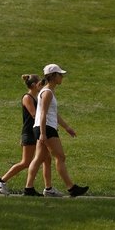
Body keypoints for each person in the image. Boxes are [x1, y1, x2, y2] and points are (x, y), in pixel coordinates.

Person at [23, 64, 89, 197]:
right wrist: (43, 133)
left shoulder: (48, 91)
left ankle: (28, 188)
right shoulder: (47, 92)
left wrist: (67, 127)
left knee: (38, 158)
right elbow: (43, 114)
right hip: (46, 128)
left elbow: (53, 113)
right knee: (60, 156)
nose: (62, 77)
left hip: (44, 127)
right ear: (53, 76)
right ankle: (71, 188)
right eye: (60, 74)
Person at [0, 74, 59, 197]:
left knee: (47, 159)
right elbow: (35, 115)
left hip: (36, 131)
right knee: (26, 162)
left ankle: (48, 188)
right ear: (34, 85)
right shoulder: (27, 97)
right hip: (30, 133)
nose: (43, 85)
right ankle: (2, 180)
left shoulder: (36, 97)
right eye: (41, 83)